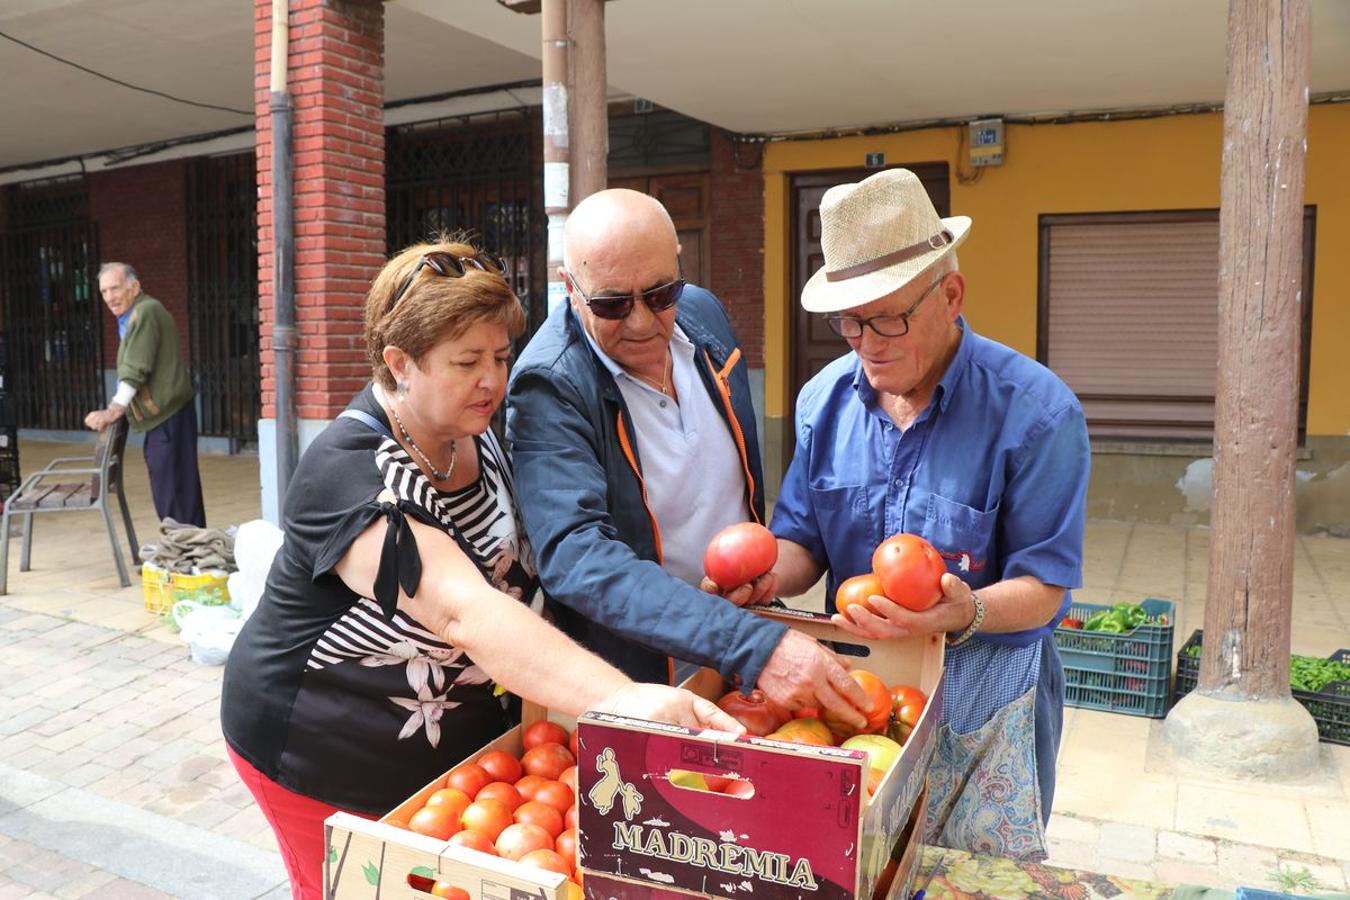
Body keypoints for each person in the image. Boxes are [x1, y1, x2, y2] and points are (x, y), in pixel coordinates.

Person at [220, 239, 743, 900]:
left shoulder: (477, 428)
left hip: (452, 759)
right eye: (466, 362)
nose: (493, 380)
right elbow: (463, 608)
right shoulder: (350, 474)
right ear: (399, 364)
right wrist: (622, 698)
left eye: (500, 357)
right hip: (319, 751)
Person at [768, 169, 1090, 859]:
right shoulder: (823, 402)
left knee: (969, 876)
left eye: (889, 317)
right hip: (861, 684)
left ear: (951, 294)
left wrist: (959, 613)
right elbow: (801, 540)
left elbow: (1046, 586)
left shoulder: (1036, 413)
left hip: (986, 693)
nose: (867, 341)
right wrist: (762, 575)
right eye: (849, 322)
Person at [506, 188, 869, 728]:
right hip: (646, 672)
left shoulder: (702, 314)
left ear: (680, 264)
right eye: (611, 304)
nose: (641, 322)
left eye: (659, 293)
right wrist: (753, 643)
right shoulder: (549, 384)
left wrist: (756, 586)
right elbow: (578, 558)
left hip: (745, 643)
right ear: (571, 289)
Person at [83, 262, 205, 527]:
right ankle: (187, 552)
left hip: (168, 417)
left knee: (174, 493)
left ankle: (185, 554)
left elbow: (135, 369)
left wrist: (113, 410)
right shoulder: (134, 316)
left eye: (115, 288)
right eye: (104, 291)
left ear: (134, 286)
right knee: (177, 489)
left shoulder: (145, 311)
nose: (109, 297)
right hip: (167, 417)